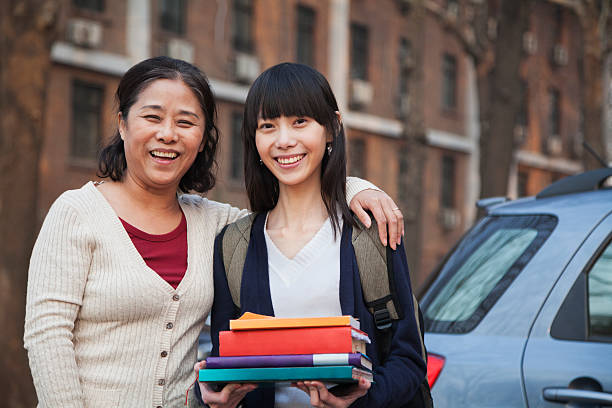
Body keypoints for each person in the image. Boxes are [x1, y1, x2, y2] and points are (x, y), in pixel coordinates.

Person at [23, 56, 405, 407]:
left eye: (186, 122)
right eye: (152, 118)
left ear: (204, 137)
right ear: (123, 123)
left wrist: (354, 187)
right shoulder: (77, 213)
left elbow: (294, 206)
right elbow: (47, 338)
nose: (168, 134)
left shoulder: (216, 225)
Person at [197, 63, 427, 408]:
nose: (284, 140)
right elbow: (228, 359)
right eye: (268, 126)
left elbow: (409, 359)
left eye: (300, 122)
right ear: (254, 140)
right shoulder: (233, 246)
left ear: (332, 128)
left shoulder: (371, 231)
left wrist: (360, 402)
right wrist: (219, 398)